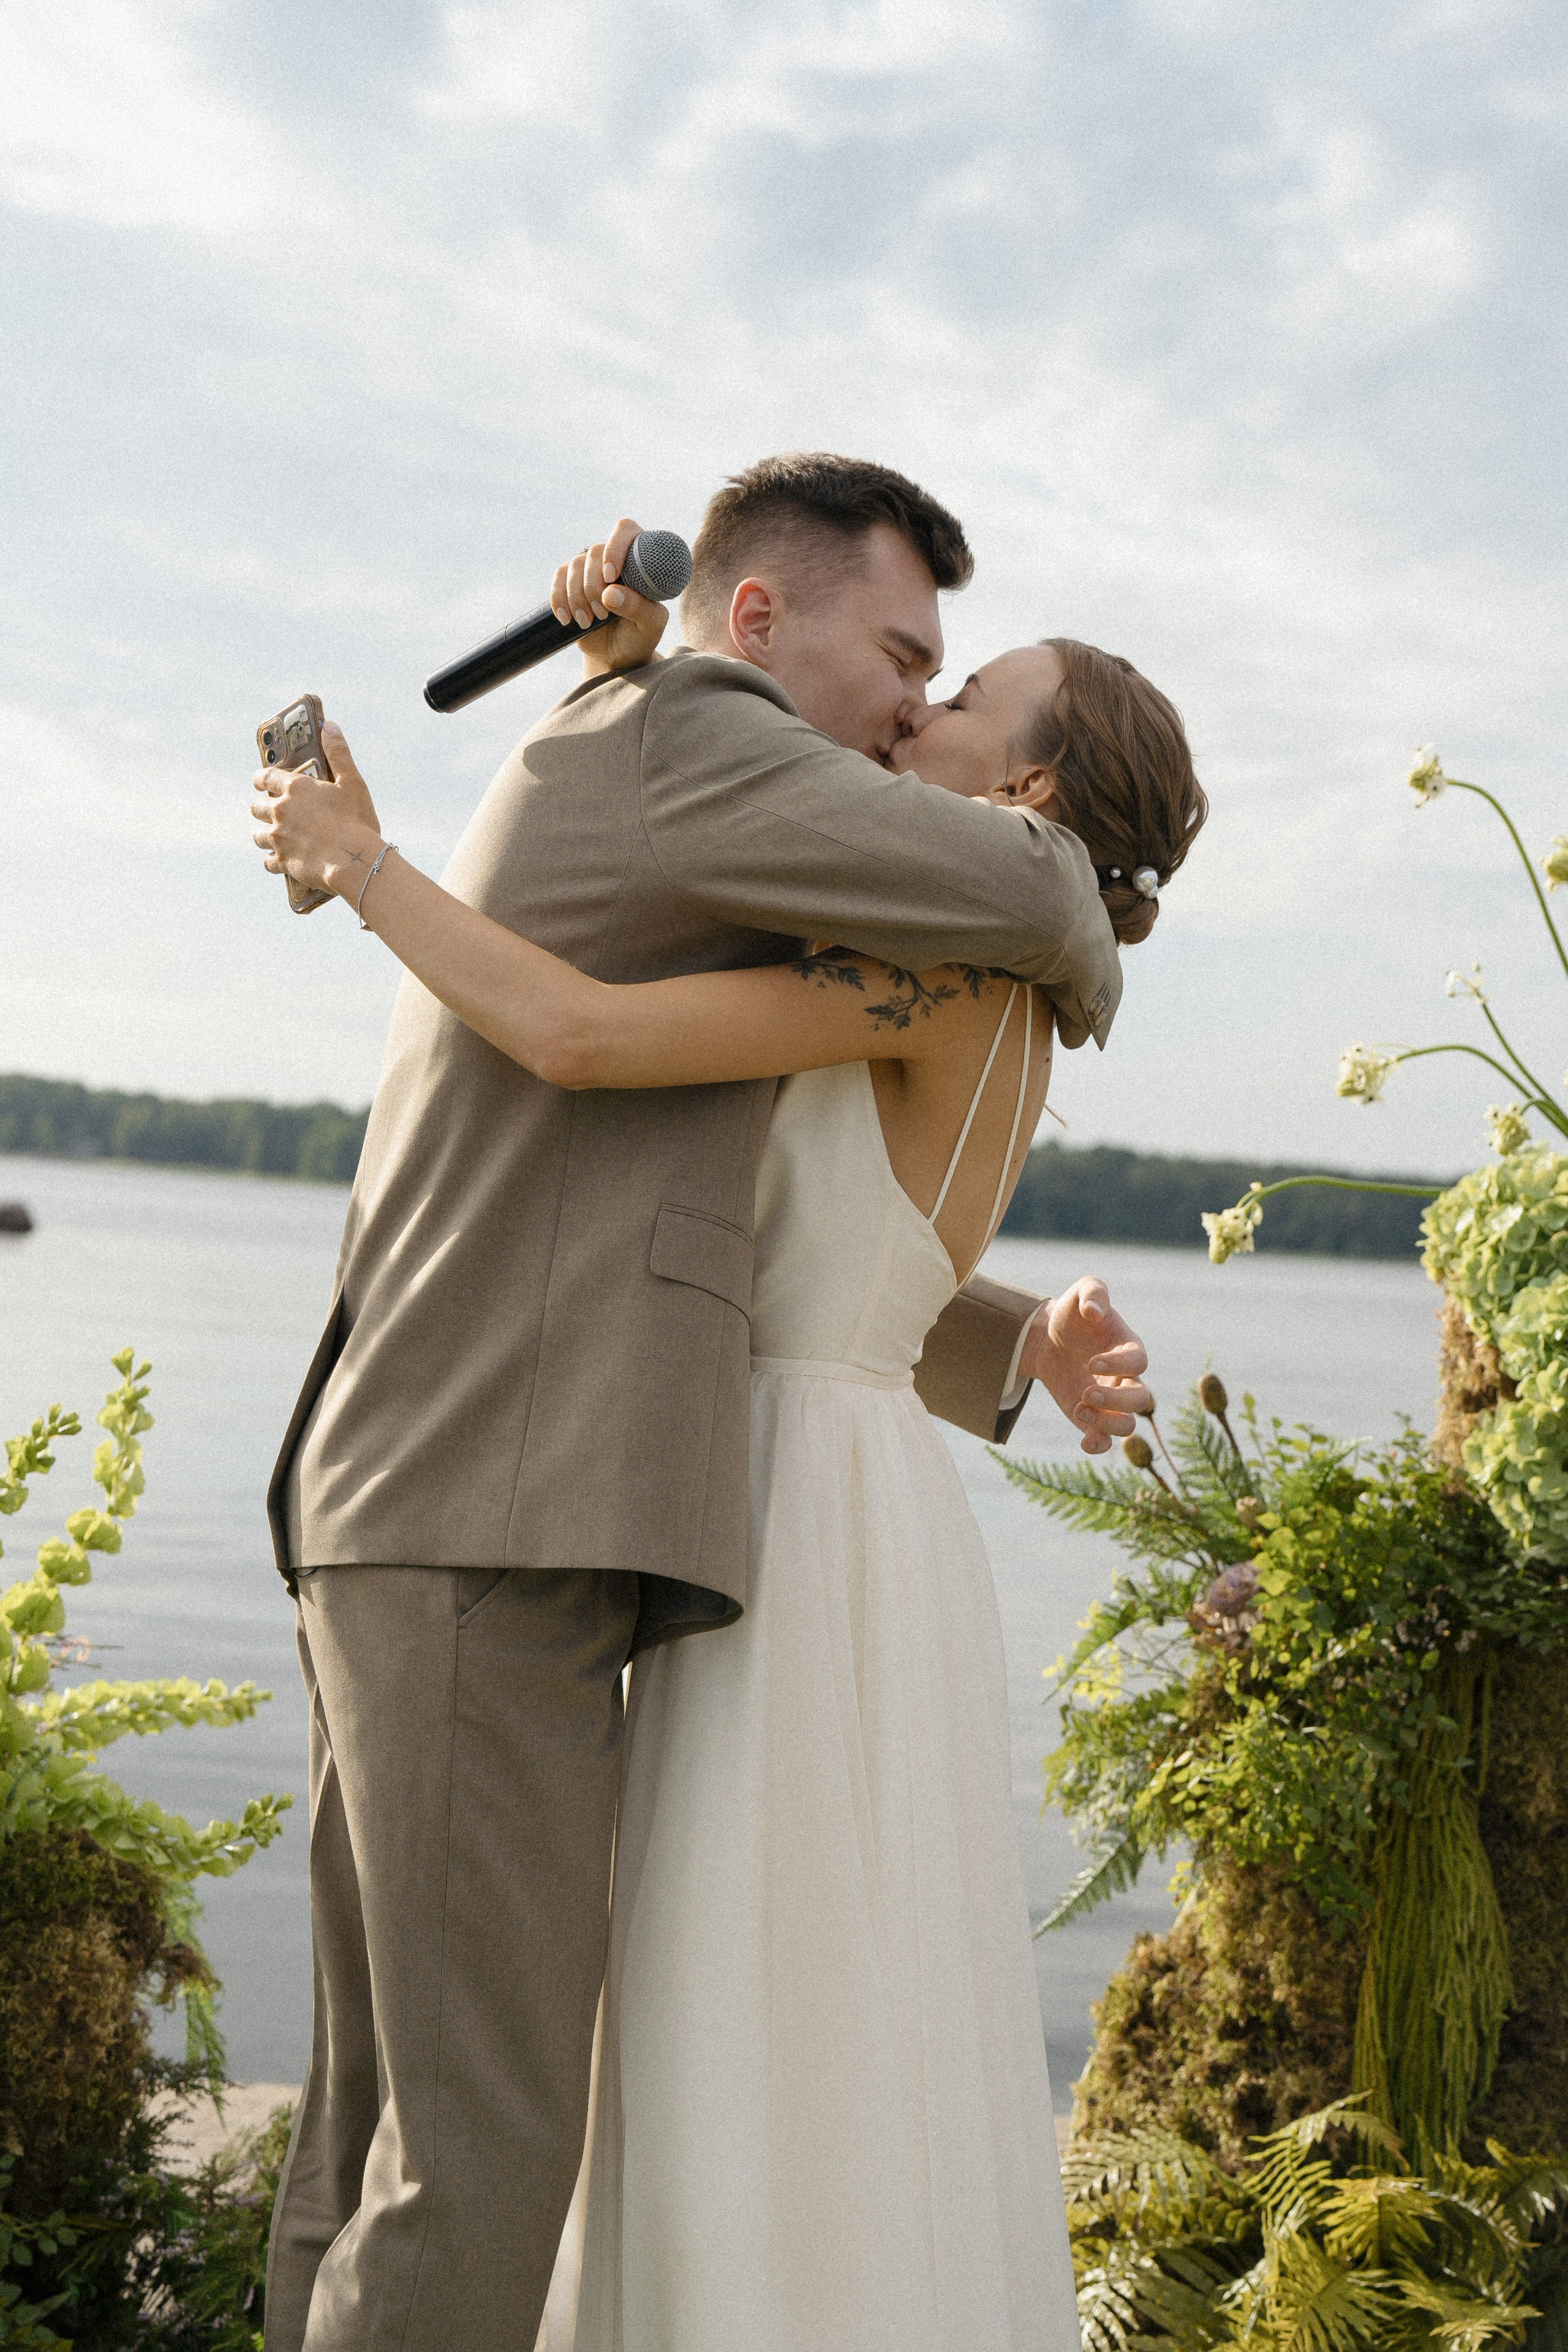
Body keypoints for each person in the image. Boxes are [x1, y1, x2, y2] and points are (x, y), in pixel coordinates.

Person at [251, 454, 1158, 2352]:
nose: (920, 702)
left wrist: (367, 865)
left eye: (956, 688)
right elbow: (781, 1228)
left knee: (504, 2113)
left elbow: (603, 1059)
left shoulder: (908, 948)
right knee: (725, 2055)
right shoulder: (749, 786)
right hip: (646, 1502)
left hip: (661, 1501)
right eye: (912, 658)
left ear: (1035, 792)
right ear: (760, 620)